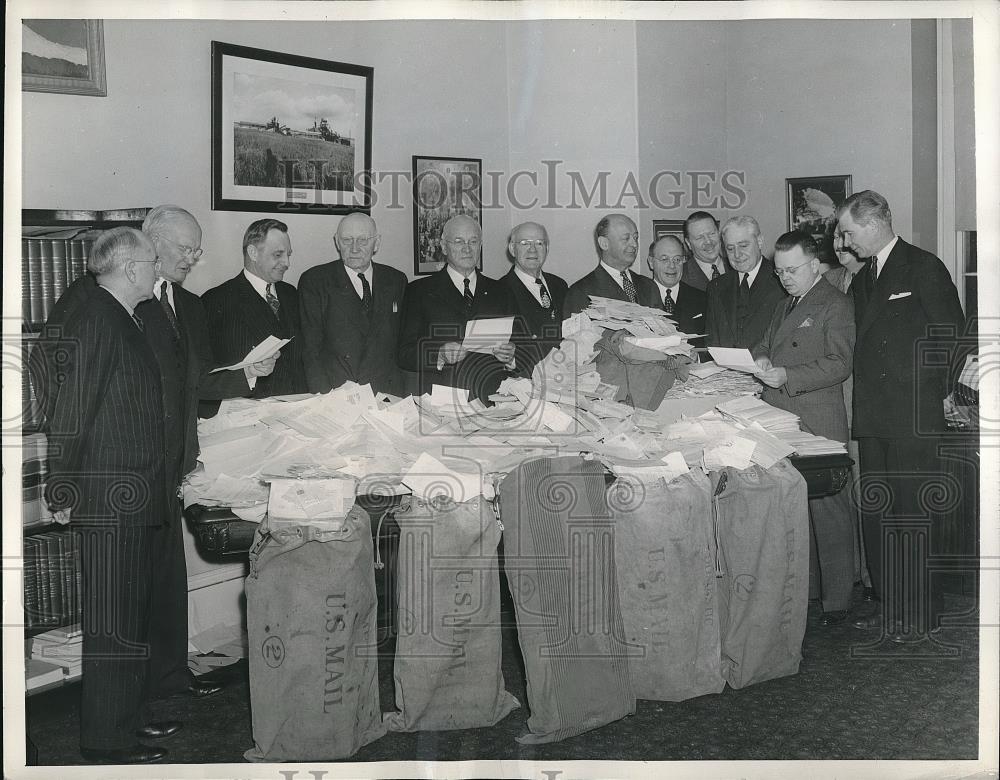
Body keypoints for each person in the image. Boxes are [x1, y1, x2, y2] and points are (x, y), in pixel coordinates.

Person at [44, 228, 172, 763]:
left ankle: (125, 721)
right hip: (109, 496)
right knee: (113, 624)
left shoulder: (120, 315)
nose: (158, 266)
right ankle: (106, 741)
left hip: (132, 493)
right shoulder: (99, 317)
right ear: (130, 267)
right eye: (152, 259)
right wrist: (62, 487)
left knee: (128, 617)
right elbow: (73, 410)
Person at [837, 190, 965, 640]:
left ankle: (921, 609)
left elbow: (953, 335)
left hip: (913, 416)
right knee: (879, 515)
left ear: (874, 224)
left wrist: (939, 394)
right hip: (873, 416)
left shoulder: (923, 266)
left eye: (849, 231)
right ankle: (890, 603)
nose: (844, 239)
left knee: (914, 516)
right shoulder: (864, 274)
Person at [752, 231, 856, 625]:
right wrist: (761, 361)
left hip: (819, 419)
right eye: (779, 272)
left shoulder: (836, 304)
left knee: (829, 508)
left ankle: (838, 600)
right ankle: (810, 592)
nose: (785, 278)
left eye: (792, 270)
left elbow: (839, 363)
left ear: (815, 265)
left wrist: (787, 375)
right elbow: (763, 343)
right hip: (782, 417)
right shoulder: (784, 305)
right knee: (795, 505)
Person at [398, 215, 516, 403]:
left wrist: (511, 357)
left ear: (480, 246)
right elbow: (404, 354)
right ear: (444, 247)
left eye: (473, 241)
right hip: (441, 401)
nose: (467, 248)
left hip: (491, 398)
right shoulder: (418, 291)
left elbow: (517, 345)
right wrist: (439, 354)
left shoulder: (502, 291)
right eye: (459, 241)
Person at [298, 211, 407, 395]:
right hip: (337, 395)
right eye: (347, 240)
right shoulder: (315, 281)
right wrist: (325, 400)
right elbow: (311, 351)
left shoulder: (396, 280)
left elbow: (399, 345)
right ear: (337, 242)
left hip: (386, 395)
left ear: (377, 243)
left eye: (363, 240)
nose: (355, 248)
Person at [201, 218, 308, 400]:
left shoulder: (291, 294)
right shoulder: (215, 301)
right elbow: (205, 376)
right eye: (278, 255)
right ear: (253, 253)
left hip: (296, 409)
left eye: (288, 254)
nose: (287, 263)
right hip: (248, 415)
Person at [705, 215, 786, 349]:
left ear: (759, 241)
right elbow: (711, 341)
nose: (737, 254)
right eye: (730, 248)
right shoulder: (716, 287)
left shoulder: (781, 282)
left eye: (743, 245)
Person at [500, 221, 568, 378]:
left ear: (547, 249)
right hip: (525, 382)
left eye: (539, 243)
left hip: (564, 379)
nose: (532, 249)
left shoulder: (560, 285)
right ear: (512, 249)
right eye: (524, 243)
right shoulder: (499, 291)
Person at [564, 213, 660, 315]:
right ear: (604, 243)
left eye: (635, 237)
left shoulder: (649, 287)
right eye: (626, 238)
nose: (634, 244)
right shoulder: (580, 292)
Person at [646, 235, 707, 351]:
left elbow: (711, 343)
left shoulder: (702, 299)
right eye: (664, 259)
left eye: (677, 259)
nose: (672, 265)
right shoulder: (639, 297)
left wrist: (697, 357)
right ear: (651, 262)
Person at [681, 211, 730, 291]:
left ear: (719, 234)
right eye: (700, 237)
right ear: (689, 243)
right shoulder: (680, 276)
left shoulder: (737, 267)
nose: (708, 241)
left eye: (711, 233)